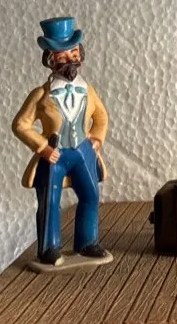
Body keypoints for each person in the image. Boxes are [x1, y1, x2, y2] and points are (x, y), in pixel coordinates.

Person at [12, 17, 110, 267]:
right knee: (50, 202)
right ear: (50, 59)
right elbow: (21, 125)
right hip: (53, 155)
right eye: (63, 56)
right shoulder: (40, 95)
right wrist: (42, 147)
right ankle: (49, 248)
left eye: (74, 54)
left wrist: (97, 138)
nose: (70, 61)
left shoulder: (88, 90)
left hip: (83, 152)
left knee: (90, 194)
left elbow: (101, 117)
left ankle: (87, 242)